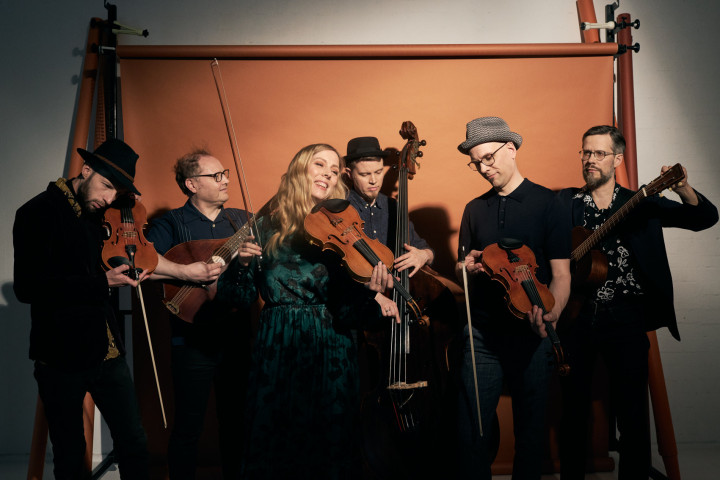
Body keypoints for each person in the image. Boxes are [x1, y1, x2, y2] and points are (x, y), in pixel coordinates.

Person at [215, 143, 393, 479]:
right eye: (319, 164)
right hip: (278, 345)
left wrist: (371, 294)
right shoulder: (264, 227)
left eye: (334, 169)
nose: (328, 173)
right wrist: (241, 265)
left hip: (332, 345)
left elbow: (350, 311)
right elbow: (235, 298)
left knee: (330, 443)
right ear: (300, 170)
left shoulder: (344, 232)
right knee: (278, 441)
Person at [556, 125, 718, 479]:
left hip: (626, 317)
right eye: (586, 152)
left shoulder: (641, 203)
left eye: (599, 153)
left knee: (632, 414)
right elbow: (542, 246)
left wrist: (683, 188)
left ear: (617, 159)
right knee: (572, 410)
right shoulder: (565, 203)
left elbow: (704, 218)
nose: (590, 160)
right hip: (576, 316)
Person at [13, 139, 150, 479]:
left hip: (107, 350)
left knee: (134, 443)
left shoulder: (100, 215)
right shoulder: (37, 212)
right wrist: (102, 283)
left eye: (116, 192)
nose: (109, 198)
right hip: (60, 357)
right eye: (106, 186)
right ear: (86, 170)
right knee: (71, 457)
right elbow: (27, 287)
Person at [454, 116, 571, 479]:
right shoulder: (474, 209)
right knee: (472, 432)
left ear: (511, 149)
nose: (482, 168)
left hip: (531, 334)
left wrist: (552, 314)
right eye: (476, 163)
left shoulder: (549, 203)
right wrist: (466, 267)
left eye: (488, 158)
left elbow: (561, 274)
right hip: (482, 336)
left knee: (531, 435)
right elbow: (461, 265)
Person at [145, 150, 251, 479]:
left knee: (237, 424)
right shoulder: (171, 223)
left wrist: (250, 262)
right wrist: (185, 271)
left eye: (225, 173)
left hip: (238, 337)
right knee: (188, 427)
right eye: (216, 176)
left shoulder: (242, 220)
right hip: (191, 340)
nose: (225, 180)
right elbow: (143, 263)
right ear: (192, 184)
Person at [344, 136, 434, 317]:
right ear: (349, 174)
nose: (373, 180)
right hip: (356, 308)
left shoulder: (394, 207)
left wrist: (423, 255)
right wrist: (372, 295)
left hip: (399, 302)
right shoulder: (341, 210)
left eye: (378, 172)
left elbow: (426, 250)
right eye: (364, 174)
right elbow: (334, 273)